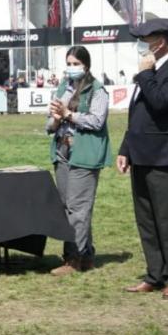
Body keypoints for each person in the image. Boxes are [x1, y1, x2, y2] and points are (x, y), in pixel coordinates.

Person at [117, 19, 168, 298]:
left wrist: (145, 75)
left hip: (166, 155)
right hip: (142, 153)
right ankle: (155, 273)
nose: (143, 46)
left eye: (147, 39)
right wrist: (125, 149)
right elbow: (139, 114)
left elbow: (161, 101)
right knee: (146, 219)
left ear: (162, 41)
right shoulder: (150, 70)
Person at [46, 46, 110, 275]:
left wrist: (68, 115)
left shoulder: (97, 90)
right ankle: (87, 256)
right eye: (69, 63)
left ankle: (74, 257)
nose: (71, 68)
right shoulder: (63, 87)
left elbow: (96, 121)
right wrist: (54, 120)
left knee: (78, 208)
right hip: (62, 152)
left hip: (85, 154)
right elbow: (49, 124)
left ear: (86, 65)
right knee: (67, 207)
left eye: (76, 64)